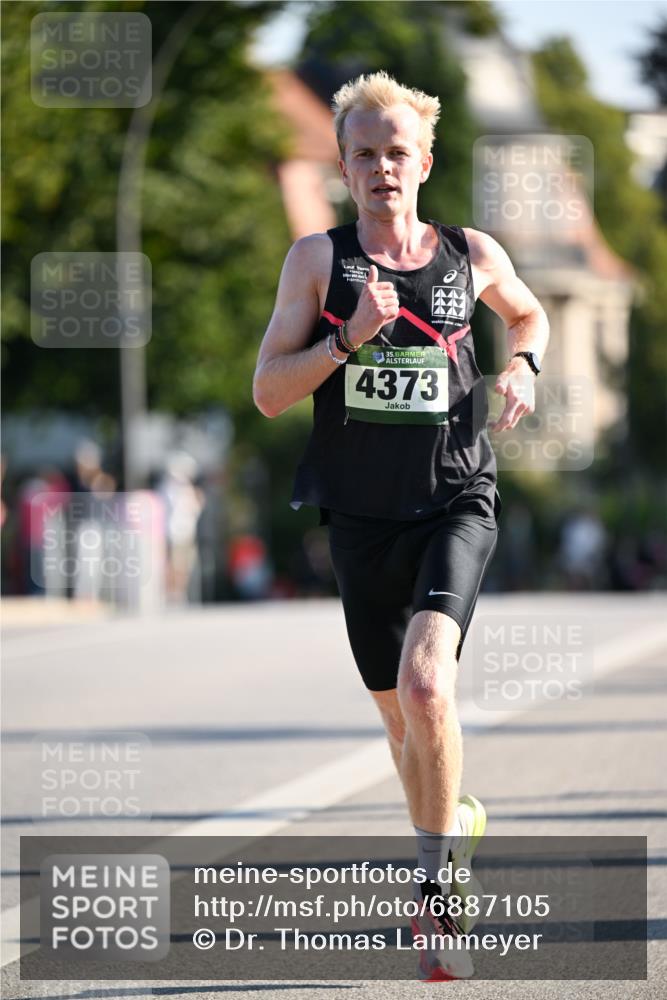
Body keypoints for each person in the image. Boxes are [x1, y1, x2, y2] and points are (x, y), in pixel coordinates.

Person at [253, 71, 549, 980]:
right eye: (364, 152)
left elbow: (527, 312)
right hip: (360, 517)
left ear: (424, 160)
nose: (382, 166)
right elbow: (269, 392)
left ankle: (434, 897)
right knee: (400, 721)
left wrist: (524, 364)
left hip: (455, 498)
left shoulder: (469, 252)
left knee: (428, 689)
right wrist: (343, 337)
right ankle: (451, 825)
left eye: (397, 151)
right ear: (342, 165)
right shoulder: (317, 261)